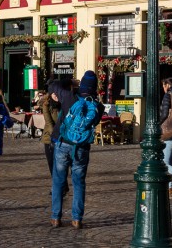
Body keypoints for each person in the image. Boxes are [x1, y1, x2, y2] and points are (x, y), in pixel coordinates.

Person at [50, 70, 103, 229]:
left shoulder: (69, 97)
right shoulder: (98, 106)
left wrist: (71, 82)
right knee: (79, 183)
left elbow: (53, 84)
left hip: (63, 143)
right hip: (81, 147)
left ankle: (55, 217)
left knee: (58, 181)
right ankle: (77, 219)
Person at [40, 81, 61, 178]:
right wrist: (55, 136)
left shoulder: (63, 103)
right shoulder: (46, 105)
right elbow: (49, 123)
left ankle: (61, 185)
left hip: (62, 137)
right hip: (50, 137)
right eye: (54, 93)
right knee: (52, 164)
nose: (56, 95)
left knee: (61, 165)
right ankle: (58, 186)